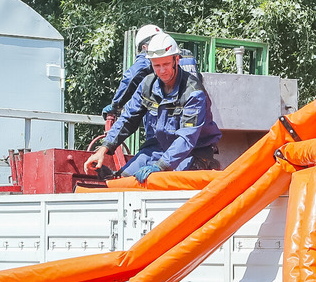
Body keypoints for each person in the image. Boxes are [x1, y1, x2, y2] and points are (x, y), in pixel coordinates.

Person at [85, 32, 222, 183]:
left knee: (166, 182)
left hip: (193, 152)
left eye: (166, 64)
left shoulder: (193, 92)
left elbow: (186, 138)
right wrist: (104, 148)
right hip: (156, 149)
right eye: (157, 65)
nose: (162, 71)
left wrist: (161, 166)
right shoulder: (147, 86)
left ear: (176, 60)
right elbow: (128, 118)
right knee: (121, 181)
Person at [101, 24, 201, 119]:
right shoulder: (187, 55)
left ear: (144, 47)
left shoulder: (152, 54)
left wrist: (116, 105)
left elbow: (132, 77)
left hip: (169, 117)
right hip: (196, 112)